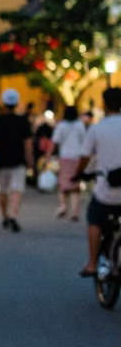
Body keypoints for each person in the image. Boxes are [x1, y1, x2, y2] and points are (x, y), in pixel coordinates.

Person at [74, 88, 121, 278]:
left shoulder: (97, 128)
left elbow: (85, 156)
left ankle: (92, 263)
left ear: (104, 104)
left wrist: (78, 174)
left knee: (94, 218)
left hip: (108, 190)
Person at [0, 89, 33, 232]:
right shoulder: (23, 121)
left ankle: (5, 216)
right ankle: (14, 215)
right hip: (19, 159)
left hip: (1, 160)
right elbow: (28, 143)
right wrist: (30, 158)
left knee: (2, 190)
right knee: (17, 189)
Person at [50, 105, 87, 221]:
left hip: (65, 156)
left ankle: (63, 205)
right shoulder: (80, 125)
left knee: (63, 184)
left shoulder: (61, 126)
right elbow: (85, 141)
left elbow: (55, 142)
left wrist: (48, 155)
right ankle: (75, 211)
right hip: (77, 157)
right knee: (75, 185)